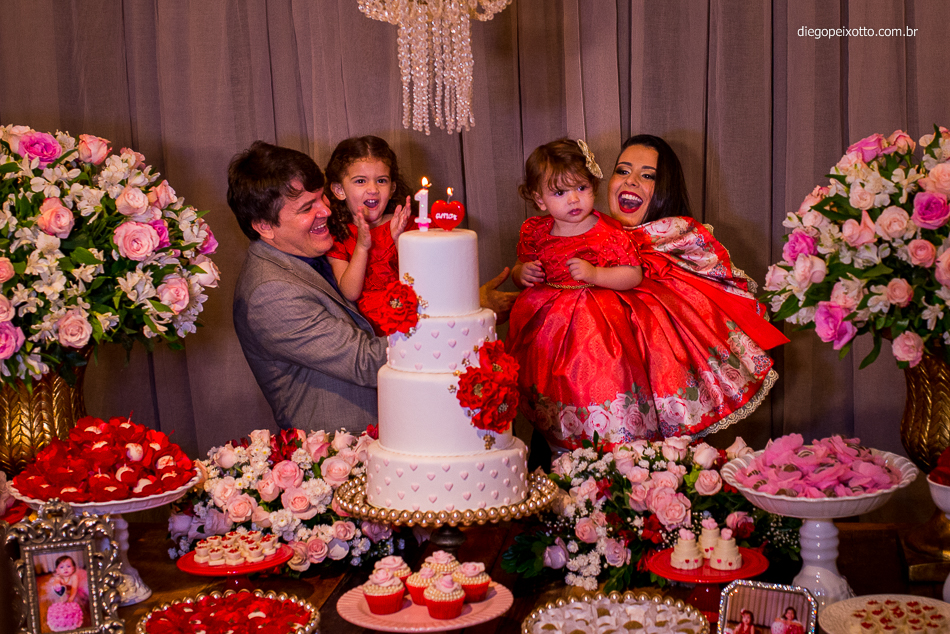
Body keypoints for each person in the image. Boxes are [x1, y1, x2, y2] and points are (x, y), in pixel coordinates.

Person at [229, 141, 517, 432]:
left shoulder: (322, 248)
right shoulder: (270, 292)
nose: (326, 211)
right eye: (307, 207)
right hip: (347, 448)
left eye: (321, 198)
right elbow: (365, 361)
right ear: (264, 226)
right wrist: (464, 316)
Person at [606, 134, 789, 439]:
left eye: (647, 175)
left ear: (665, 189)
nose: (632, 181)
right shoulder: (580, 238)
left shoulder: (680, 247)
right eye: (622, 171)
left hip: (664, 435)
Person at [506, 138, 650, 452]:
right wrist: (523, 273)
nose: (574, 199)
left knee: (596, 381)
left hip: (596, 327)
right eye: (560, 193)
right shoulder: (535, 232)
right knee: (553, 386)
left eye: (581, 188)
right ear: (539, 199)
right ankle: (560, 441)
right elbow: (520, 267)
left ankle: (603, 439)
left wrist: (596, 274)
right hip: (548, 329)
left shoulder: (607, 233)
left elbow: (632, 273)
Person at [325, 136, 413, 335]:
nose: (372, 189)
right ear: (339, 190)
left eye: (381, 181)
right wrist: (362, 247)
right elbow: (350, 292)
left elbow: (425, 281)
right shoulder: (339, 235)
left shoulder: (406, 223)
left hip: (413, 325)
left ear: (392, 188)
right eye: (360, 181)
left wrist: (400, 241)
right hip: (370, 338)